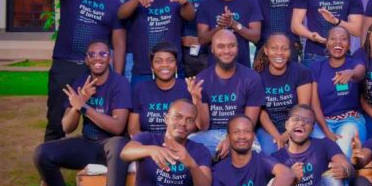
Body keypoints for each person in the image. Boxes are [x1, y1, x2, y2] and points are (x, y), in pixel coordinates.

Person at [33, 40, 131, 186]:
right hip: (87, 144)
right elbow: (67, 127)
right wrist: (78, 105)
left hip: (110, 144)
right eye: (92, 54)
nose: (97, 58)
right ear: (86, 60)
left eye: (102, 54)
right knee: (42, 153)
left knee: (118, 145)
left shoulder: (120, 83)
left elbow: (117, 127)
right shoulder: (80, 82)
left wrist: (85, 108)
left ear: (110, 58)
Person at [43, 0, 125, 144]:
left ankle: (92, 155)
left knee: (97, 118)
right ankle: (49, 158)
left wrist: (118, 75)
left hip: (95, 70)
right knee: (56, 119)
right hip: (65, 65)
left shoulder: (114, 3)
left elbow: (118, 43)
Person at [191, 30, 265, 159]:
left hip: (243, 132)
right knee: (187, 150)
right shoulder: (202, 79)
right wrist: (197, 101)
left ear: (237, 47)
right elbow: (203, 127)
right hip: (211, 134)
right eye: (221, 46)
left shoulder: (252, 78)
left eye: (231, 46)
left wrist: (230, 138)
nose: (226, 51)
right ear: (212, 49)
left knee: (254, 157)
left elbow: (249, 122)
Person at [118, 0, 195, 88]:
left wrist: (186, 2)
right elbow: (121, 14)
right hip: (143, 72)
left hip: (172, 71)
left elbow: (190, 16)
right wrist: (136, 0)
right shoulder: (141, 1)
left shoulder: (175, 2)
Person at [311, 26, 367, 157]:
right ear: (327, 43)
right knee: (317, 154)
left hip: (350, 120)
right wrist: (327, 132)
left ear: (349, 45)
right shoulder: (317, 67)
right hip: (323, 122)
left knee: (342, 152)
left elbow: (360, 72)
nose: (338, 42)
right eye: (333, 39)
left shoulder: (355, 63)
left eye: (343, 39)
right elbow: (315, 105)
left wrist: (352, 73)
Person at [253, 33, 313, 155]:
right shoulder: (257, 75)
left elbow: (303, 109)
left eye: (284, 49)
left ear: (290, 52)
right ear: (266, 51)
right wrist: (277, 136)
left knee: (309, 150)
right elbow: (261, 113)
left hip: (298, 124)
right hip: (269, 128)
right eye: (274, 48)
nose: (279, 53)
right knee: (270, 152)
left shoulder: (301, 72)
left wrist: (287, 135)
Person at [197, 0, 263, 69]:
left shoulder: (250, 2)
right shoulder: (206, 4)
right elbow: (202, 40)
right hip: (214, 70)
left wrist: (233, 24)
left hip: (242, 69)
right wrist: (220, 27)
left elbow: (256, 37)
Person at [128, 42, 196, 136]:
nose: (165, 65)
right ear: (152, 68)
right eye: (158, 61)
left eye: (170, 60)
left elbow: (196, 127)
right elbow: (133, 129)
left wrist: (196, 99)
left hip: (180, 141)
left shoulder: (188, 87)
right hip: (149, 143)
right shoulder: (140, 89)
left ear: (176, 66)